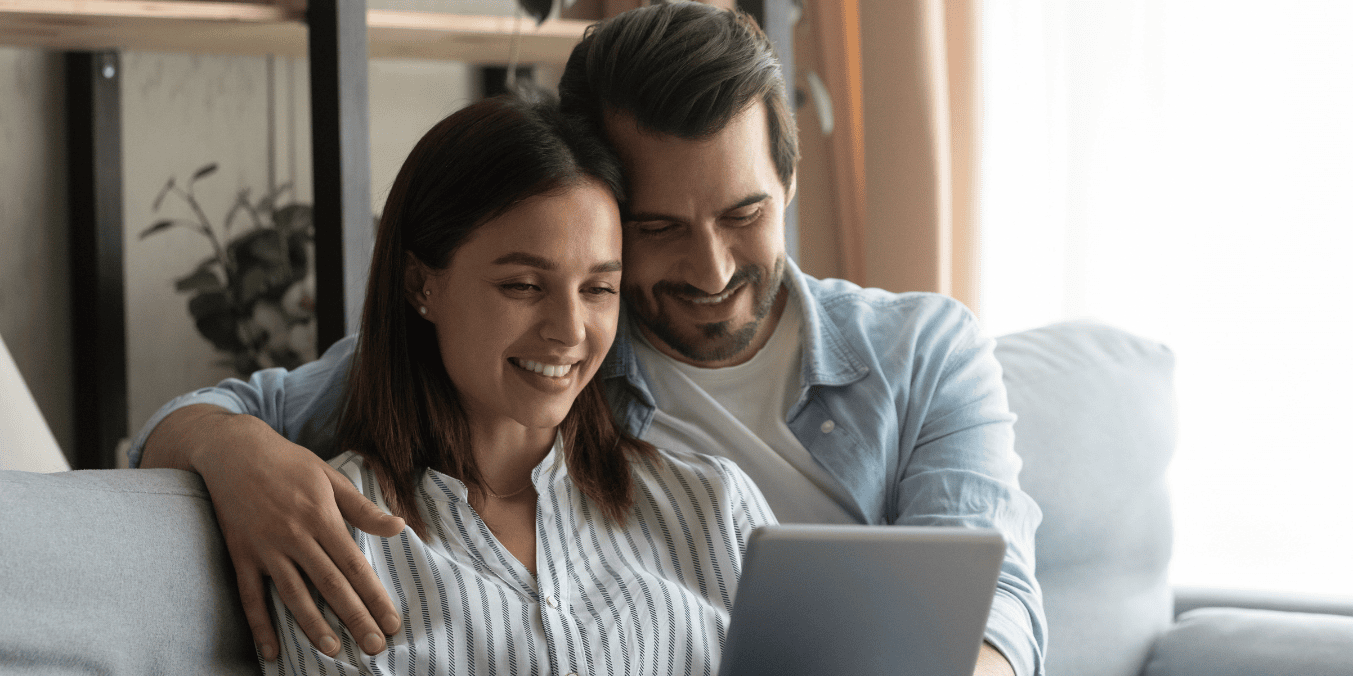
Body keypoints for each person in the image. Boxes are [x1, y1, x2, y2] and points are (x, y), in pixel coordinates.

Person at [137, 4, 1046, 675]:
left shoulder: (920, 351)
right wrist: (232, 453)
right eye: (658, 229)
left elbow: (993, 601)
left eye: (744, 214)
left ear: (790, 183)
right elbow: (235, 413)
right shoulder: (549, 367)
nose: (712, 267)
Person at [257, 92, 772, 673]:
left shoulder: (715, 508)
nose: (570, 330)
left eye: (598, 289)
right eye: (524, 286)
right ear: (421, 286)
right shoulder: (335, 536)